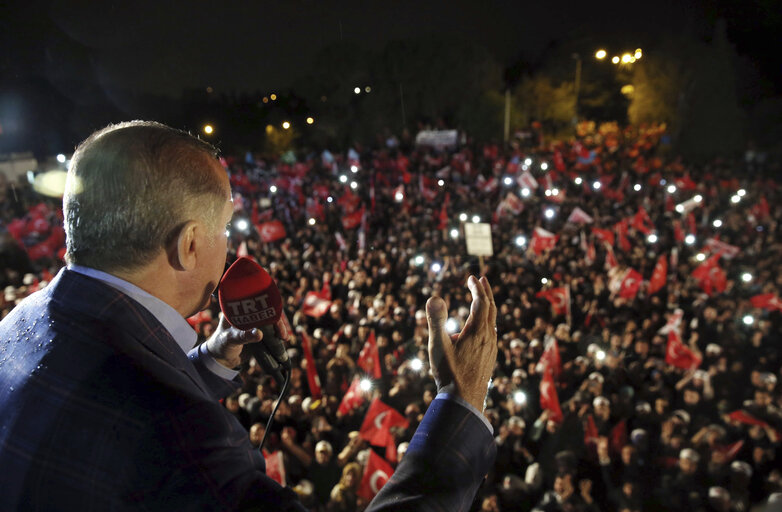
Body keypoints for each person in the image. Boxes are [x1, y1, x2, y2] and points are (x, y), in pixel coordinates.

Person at [0, 121, 498, 511]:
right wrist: (461, 404)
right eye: (225, 228)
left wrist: (211, 359)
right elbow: (151, 425)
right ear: (190, 243)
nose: (231, 244)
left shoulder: (19, 323)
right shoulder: (185, 439)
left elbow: (106, 404)